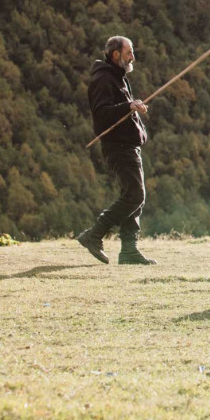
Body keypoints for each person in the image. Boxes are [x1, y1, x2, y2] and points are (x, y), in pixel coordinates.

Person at [76, 36, 157, 265]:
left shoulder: (118, 78)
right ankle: (94, 234)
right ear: (115, 55)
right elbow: (101, 115)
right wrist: (128, 106)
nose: (133, 56)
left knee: (135, 197)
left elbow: (120, 111)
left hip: (128, 146)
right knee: (134, 195)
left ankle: (129, 251)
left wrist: (131, 106)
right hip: (118, 147)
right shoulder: (103, 80)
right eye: (129, 52)